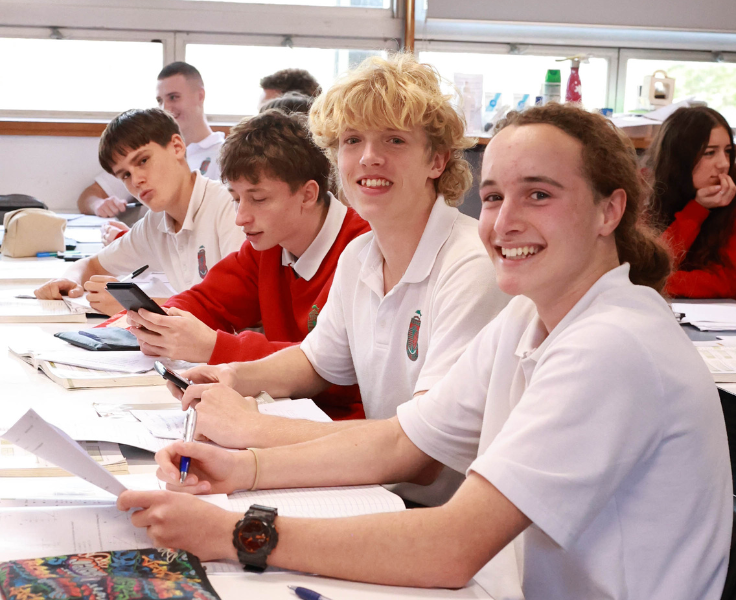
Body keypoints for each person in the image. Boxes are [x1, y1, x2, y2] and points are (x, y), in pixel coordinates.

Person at [119, 104, 732, 600]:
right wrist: (243, 469)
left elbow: (450, 547)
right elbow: (403, 441)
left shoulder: (611, 345)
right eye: (493, 197)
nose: (504, 221)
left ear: (610, 209)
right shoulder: (530, 312)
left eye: (539, 195)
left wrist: (237, 534)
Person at [165, 54, 509, 507]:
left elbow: (425, 457)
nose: (369, 157)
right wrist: (231, 376)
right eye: (352, 140)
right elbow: (315, 363)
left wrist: (253, 431)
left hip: (442, 513)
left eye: (394, 140)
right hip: (376, 489)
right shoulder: (360, 255)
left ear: (438, 161)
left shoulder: (470, 265)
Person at [126, 109, 370, 420]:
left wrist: (214, 347)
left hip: (344, 428)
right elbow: (206, 300)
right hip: (284, 412)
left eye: (258, 199)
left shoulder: (362, 248)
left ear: (308, 194)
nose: (241, 217)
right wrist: (163, 324)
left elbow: (333, 372)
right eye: (235, 199)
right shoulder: (268, 244)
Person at [34, 108, 244, 316]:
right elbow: (91, 265)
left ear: (177, 147)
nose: (136, 181)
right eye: (125, 175)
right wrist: (69, 281)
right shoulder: (154, 223)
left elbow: (232, 308)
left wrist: (137, 305)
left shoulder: (229, 207)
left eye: (143, 161)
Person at [81, 62, 225, 243]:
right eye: (160, 101)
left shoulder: (225, 156)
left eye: (173, 97)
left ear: (200, 96)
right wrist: (100, 206)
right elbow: (89, 195)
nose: (166, 107)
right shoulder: (145, 148)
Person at [647, 106, 736, 297]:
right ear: (681, 158)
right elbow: (655, 263)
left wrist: (659, 281)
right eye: (710, 153)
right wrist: (697, 209)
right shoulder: (656, 196)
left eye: (728, 151)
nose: (724, 164)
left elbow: (730, 281)